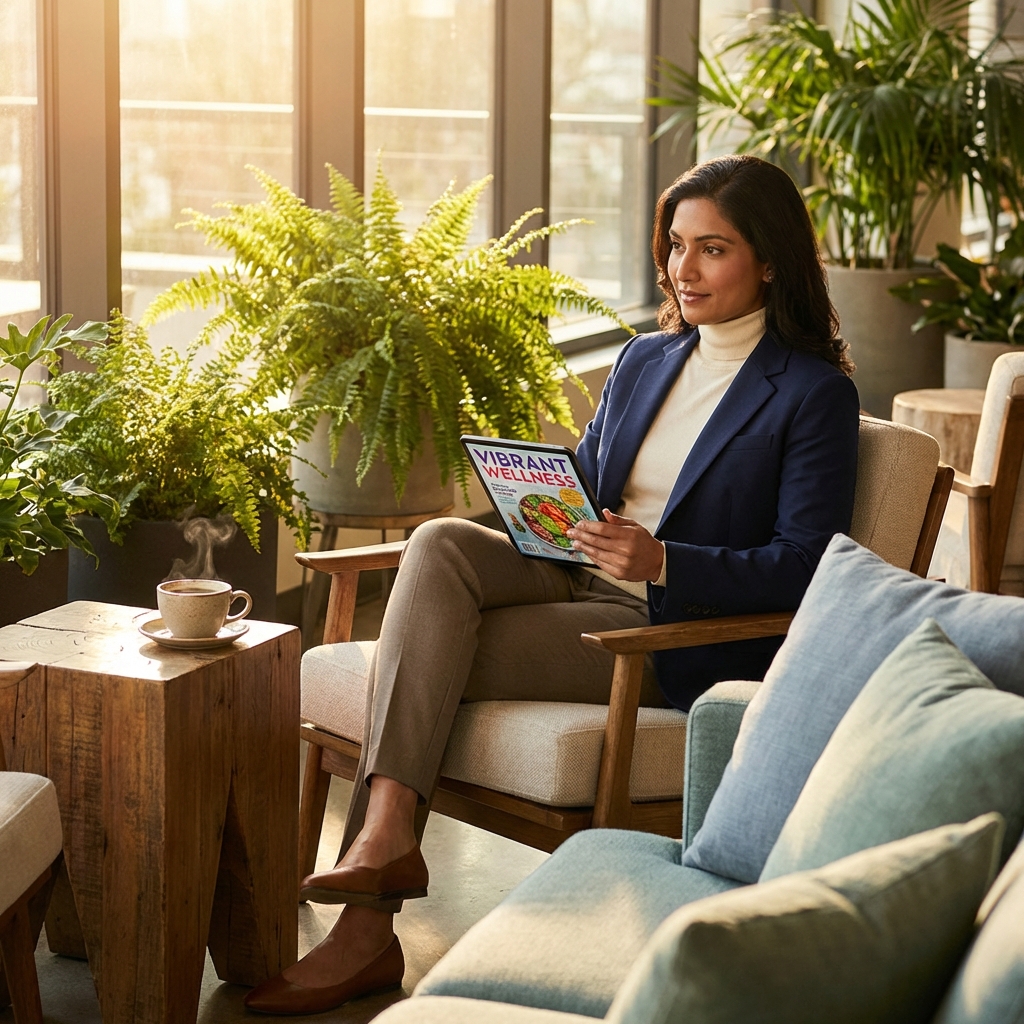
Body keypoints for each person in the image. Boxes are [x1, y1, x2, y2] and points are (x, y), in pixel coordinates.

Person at [244, 154, 860, 1014]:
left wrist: (666, 562)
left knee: (421, 650)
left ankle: (365, 930)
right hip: (570, 576)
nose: (684, 269)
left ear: (769, 260)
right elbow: (593, 479)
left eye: (712, 249)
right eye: (676, 245)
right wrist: (535, 490)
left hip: (657, 633)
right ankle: (386, 841)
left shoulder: (810, 393)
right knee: (440, 542)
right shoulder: (647, 358)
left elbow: (810, 567)